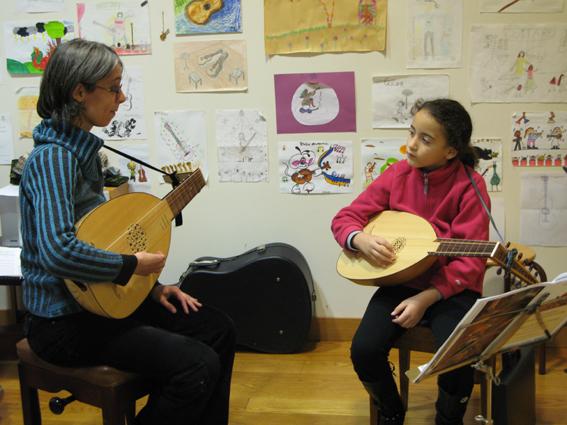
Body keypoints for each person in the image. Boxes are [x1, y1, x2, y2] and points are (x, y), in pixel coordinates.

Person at [19, 38, 236, 425]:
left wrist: (151, 288)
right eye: (114, 87)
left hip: (99, 303)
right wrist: (132, 266)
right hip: (62, 323)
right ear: (79, 92)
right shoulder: (52, 158)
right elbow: (58, 251)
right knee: (195, 365)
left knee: (217, 329)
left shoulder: (83, 154)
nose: (121, 97)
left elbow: (98, 240)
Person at [332, 98, 490, 425]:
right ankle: (391, 412)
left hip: (452, 289)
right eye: (412, 132)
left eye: (426, 139)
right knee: (363, 350)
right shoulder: (397, 174)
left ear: (451, 151)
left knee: (457, 357)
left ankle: (448, 418)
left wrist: (426, 297)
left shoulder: (471, 187)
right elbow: (345, 218)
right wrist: (359, 238)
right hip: (401, 282)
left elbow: (470, 262)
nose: (412, 145)